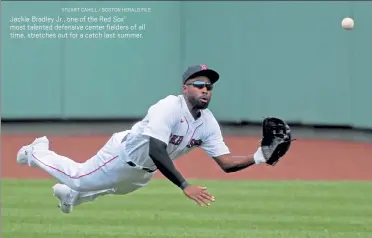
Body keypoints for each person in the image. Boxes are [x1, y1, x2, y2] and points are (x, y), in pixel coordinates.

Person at [16, 64, 270, 214]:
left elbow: (225, 162)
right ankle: (36, 151)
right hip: (122, 154)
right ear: (185, 88)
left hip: (144, 172)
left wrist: (259, 157)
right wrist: (184, 185)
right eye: (199, 84)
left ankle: (69, 197)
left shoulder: (207, 122)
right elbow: (157, 149)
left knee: (114, 189)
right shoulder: (169, 107)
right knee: (79, 179)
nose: (205, 89)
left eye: (209, 86)